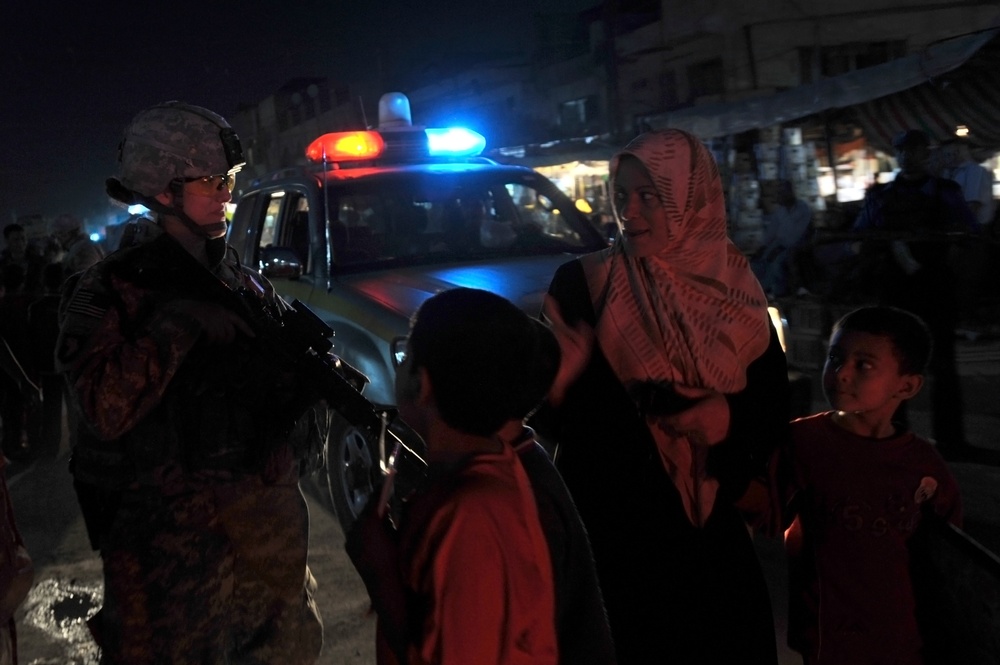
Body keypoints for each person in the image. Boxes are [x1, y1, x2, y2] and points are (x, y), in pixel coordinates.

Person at [55, 101, 323, 664]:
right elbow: (100, 408)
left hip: (266, 560)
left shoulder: (245, 283)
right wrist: (178, 326)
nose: (228, 192)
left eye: (230, 179)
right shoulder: (112, 291)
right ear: (163, 188)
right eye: (213, 181)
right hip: (171, 572)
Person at [531, 128, 790, 664]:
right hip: (617, 533)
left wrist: (727, 419)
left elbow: (770, 402)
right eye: (621, 195)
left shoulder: (734, 284)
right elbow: (559, 422)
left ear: (691, 198)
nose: (631, 212)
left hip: (709, 530)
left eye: (650, 197)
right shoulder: (584, 284)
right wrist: (561, 385)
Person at [347, 287, 559, 665]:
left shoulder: (471, 515)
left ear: (422, 384)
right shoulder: (489, 469)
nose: (400, 364)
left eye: (406, 355)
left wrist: (380, 575)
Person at [777, 305, 963, 665]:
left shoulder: (924, 468)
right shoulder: (802, 442)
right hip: (825, 636)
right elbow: (759, 508)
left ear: (906, 385)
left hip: (902, 639)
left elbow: (949, 566)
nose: (841, 373)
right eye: (835, 357)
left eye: (863, 365)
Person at [853, 129, 980, 460]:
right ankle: (896, 437)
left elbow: (968, 231)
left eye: (916, 150)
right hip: (896, 290)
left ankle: (951, 441)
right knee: (894, 365)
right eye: (903, 150)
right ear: (897, 154)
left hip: (936, 287)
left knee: (942, 366)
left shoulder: (946, 191)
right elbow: (862, 235)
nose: (909, 156)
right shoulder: (881, 196)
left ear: (927, 153)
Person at [751, 179, 813, 297]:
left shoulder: (802, 208)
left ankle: (776, 292)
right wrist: (762, 247)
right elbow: (771, 231)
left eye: (782, 193)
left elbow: (796, 234)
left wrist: (779, 247)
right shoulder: (781, 210)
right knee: (759, 263)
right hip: (779, 244)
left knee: (777, 264)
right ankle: (761, 290)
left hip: (796, 246)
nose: (779, 196)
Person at [0, 224, 43, 296]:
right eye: (16, 240)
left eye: (23, 238)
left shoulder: (39, 262)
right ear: (7, 241)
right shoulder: (2, 265)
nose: (20, 243)